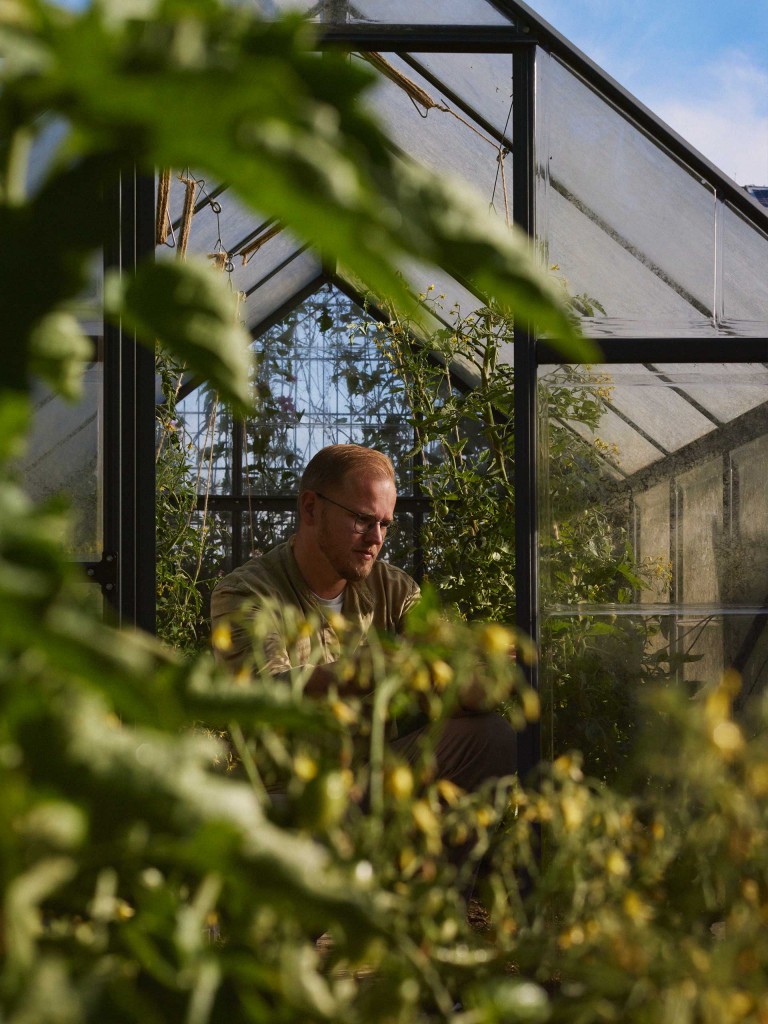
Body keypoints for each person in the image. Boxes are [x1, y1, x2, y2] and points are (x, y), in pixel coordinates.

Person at [211, 443, 516, 797]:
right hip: (291, 795)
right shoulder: (246, 593)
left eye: (385, 524)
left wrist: (486, 676)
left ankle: (424, 851)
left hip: (376, 781)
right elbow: (263, 694)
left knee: (491, 737)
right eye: (362, 520)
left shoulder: (395, 590)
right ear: (311, 508)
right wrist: (378, 665)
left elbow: (441, 681)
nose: (376, 539)